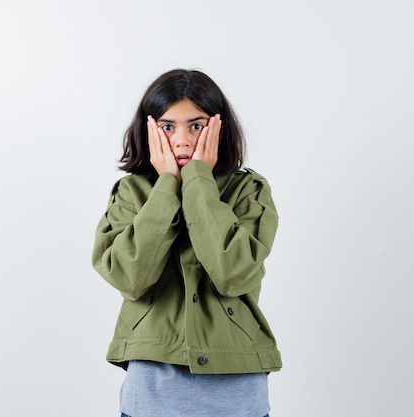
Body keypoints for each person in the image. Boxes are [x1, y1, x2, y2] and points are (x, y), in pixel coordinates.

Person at [92, 69, 281, 417]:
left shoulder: (249, 190)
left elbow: (233, 273)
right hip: (152, 391)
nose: (182, 140)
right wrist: (166, 184)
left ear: (218, 128)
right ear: (148, 130)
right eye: (167, 126)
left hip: (237, 391)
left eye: (196, 126)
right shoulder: (131, 194)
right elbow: (129, 278)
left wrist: (197, 180)